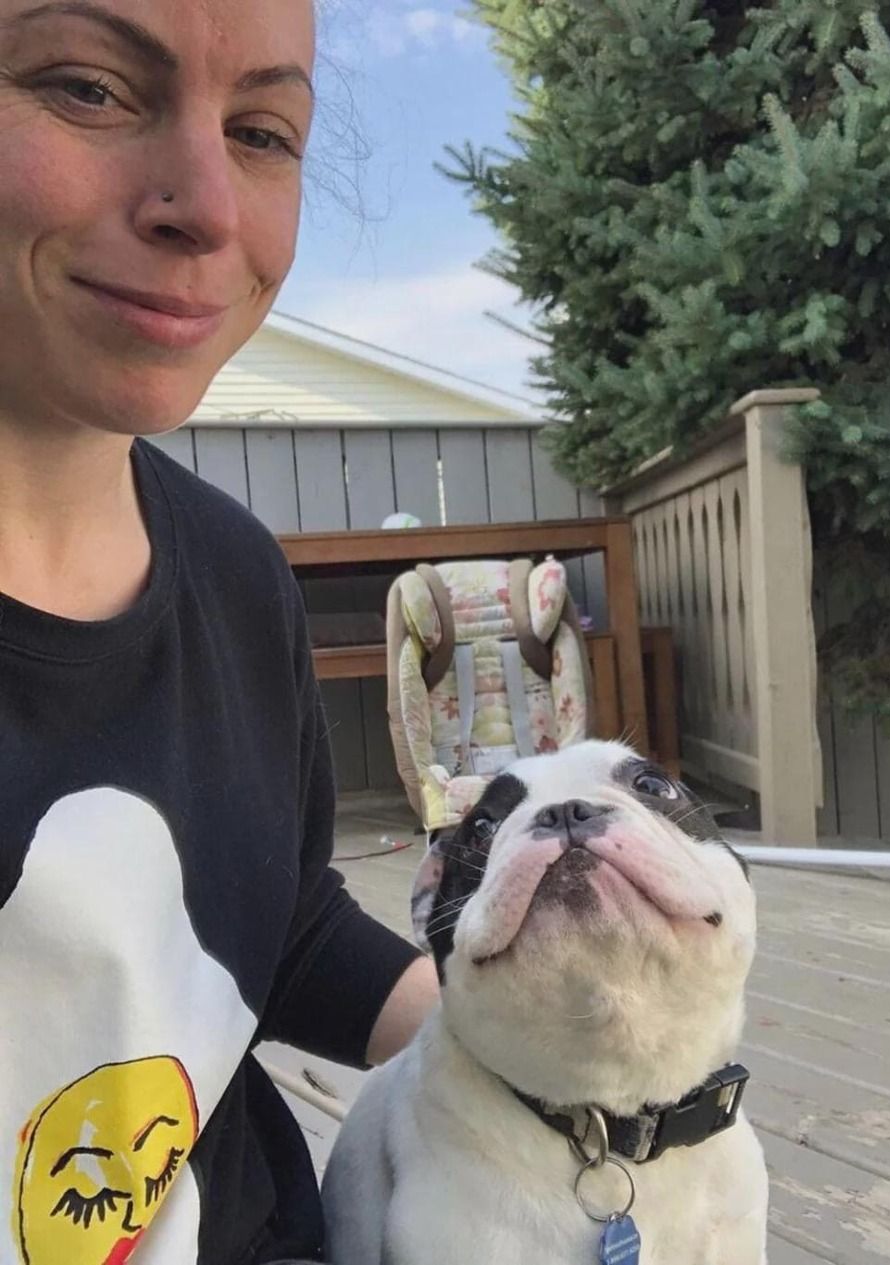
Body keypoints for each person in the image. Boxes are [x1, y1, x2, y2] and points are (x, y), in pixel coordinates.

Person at [0, 2, 439, 1262]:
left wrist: (521, 1049)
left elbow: (267, 922)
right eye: (88, 87)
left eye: (260, 132)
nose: (207, 206)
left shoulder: (240, 573)